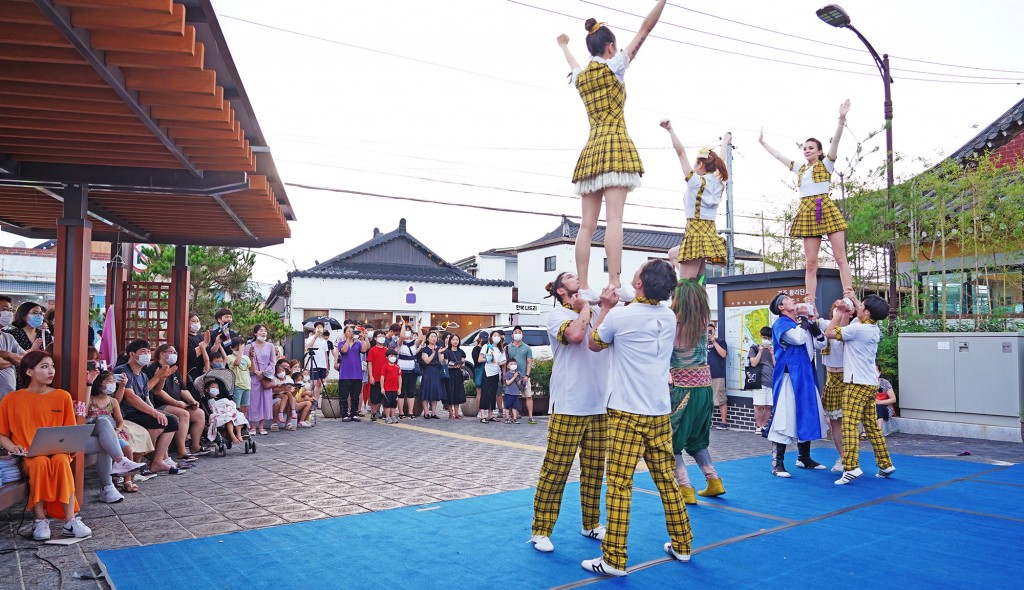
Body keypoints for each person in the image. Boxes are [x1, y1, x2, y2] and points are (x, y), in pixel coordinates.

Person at [584, 260, 693, 577]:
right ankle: (683, 544)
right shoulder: (669, 316)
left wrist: (604, 307)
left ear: (642, 284)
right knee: (667, 482)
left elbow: (594, 343)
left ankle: (614, 559)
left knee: (619, 485)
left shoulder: (620, 314)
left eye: (637, 273)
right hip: (658, 411)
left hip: (625, 412)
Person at [557, 1, 668, 303]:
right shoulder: (616, 65)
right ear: (610, 47)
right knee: (614, 219)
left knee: (586, 225)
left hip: (591, 149)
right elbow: (646, 29)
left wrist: (564, 46)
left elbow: (573, 64)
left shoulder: (582, 77)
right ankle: (615, 282)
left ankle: (583, 285)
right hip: (616, 144)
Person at [530, 272, 609, 554]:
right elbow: (576, 336)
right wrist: (586, 307)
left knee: (594, 469)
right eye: (573, 277)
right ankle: (541, 530)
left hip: (600, 403)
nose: (580, 277)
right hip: (568, 404)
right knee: (556, 469)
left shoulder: (597, 309)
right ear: (562, 290)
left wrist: (602, 304)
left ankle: (591, 523)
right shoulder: (555, 315)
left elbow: (601, 335)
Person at [759, 100, 853, 304]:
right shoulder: (800, 169)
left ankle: (849, 292)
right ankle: (810, 299)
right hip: (808, 211)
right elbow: (779, 157)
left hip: (825, 207)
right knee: (811, 262)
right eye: (805, 148)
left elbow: (835, 142)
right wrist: (763, 144)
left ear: (819, 151)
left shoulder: (826, 165)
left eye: (811, 148)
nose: (807, 150)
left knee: (840, 256)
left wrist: (841, 119)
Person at [0, 351, 92, 540]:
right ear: (29, 372)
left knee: (60, 461)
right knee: (39, 462)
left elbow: (70, 431)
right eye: (44, 367)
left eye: (52, 366)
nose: (51, 371)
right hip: (28, 456)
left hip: (59, 453)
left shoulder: (62, 396)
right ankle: (39, 519)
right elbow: (2, 434)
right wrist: (12, 447)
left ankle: (70, 521)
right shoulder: (11, 399)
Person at [825, 290, 895, 485]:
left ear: (868, 313)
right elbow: (860, 313)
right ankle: (885, 464)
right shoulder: (871, 328)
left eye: (861, 307)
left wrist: (839, 313)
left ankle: (851, 467)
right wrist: (854, 299)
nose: (858, 309)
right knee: (871, 426)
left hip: (856, 384)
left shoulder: (858, 330)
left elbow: (829, 332)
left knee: (848, 425)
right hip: (870, 383)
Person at [668, 277, 724, 505]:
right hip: (704, 388)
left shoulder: (673, 323)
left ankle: (685, 487)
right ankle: (714, 481)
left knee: (670, 441)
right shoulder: (703, 321)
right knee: (698, 440)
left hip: (683, 388)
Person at [765, 293, 829, 478]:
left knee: (806, 413)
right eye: (787, 298)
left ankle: (804, 457)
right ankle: (777, 464)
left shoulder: (800, 323)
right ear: (781, 307)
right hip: (789, 377)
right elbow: (798, 339)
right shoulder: (781, 324)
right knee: (784, 417)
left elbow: (822, 344)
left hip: (805, 376)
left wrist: (813, 327)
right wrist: (804, 323)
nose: (793, 299)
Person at [661, 120, 732, 280]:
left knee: (686, 284)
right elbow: (722, 159)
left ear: (700, 164)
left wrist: (670, 129)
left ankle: (689, 303)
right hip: (709, 234)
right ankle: (697, 295)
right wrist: (725, 141)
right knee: (674, 255)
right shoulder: (719, 183)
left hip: (695, 232)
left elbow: (681, 153)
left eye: (696, 164)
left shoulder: (696, 182)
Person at [113, 340, 180, 474]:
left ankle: (157, 461)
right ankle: (139, 461)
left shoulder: (143, 375)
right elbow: (130, 398)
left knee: (171, 421)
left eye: (149, 352)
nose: (147, 354)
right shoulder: (122, 370)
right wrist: (154, 414)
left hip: (140, 412)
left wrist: (155, 411)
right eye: (143, 352)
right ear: (132, 354)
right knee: (157, 423)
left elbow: (146, 397)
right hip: (127, 413)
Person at [87, 372, 148, 502]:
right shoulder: (90, 399)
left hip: (112, 432)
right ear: (99, 383)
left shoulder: (113, 401)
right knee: (103, 424)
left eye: (113, 381)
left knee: (127, 449)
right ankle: (120, 465)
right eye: (109, 381)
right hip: (92, 430)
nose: (112, 384)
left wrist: (117, 430)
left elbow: (119, 420)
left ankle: (128, 480)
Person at [146, 343, 207, 462]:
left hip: (179, 403)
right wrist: (176, 403)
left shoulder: (174, 369)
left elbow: (183, 389)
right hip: (160, 405)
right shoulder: (154, 368)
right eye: (171, 352)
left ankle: (195, 445)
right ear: (162, 354)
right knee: (183, 414)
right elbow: (157, 391)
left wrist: (192, 401)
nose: (174, 355)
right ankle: (181, 450)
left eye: (175, 353)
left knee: (199, 413)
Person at [821, 299, 852, 472]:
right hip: (830, 376)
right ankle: (842, 457)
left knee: (848, 421)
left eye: (845, 309)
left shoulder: (852, 327)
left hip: (847, 376)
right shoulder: (825, 325)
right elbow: (822, 327)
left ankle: (850, 457)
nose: (839, 311)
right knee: (834, 422)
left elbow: (842, 329)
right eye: (836, 308)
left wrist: (844, 313)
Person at [4, 301, 46, 389]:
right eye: (35, 313)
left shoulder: (45, 334)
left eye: (41, 313)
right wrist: (31, 351)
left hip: (40, 378)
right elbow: (8, 358)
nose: (39, 316)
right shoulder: (12, 334)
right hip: (18, 379)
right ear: (23, 316)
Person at [245, 325, 276, 435]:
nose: (263, 333)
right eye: (261, 331)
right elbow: (246, 362)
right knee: (253, 400)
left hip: (266, 376)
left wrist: (264, 373)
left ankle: (262, 426)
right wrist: (256, 372)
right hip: (253, 376)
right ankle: (253, 426)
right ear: (255, 333)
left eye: (265, 331)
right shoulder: (249, 346)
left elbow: (273, 362)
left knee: (265, 401)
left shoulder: (270, 346)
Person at [506, 326, 536, 424]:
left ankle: (530, 416)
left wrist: (527, 375)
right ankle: (511, 415)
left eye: (519, 332)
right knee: (511, 396)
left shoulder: (527, 348)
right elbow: (506, 362)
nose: (517, 334)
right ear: (512, 335)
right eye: (516, 332)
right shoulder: (508, 347)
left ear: (522, 335)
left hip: (523, 376)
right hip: (512, 377)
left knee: (528, 396)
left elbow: (529, 362)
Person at [747, 327, 775, 435]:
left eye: (769, 338)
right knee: (759, 405)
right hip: (759, 381)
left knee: (769, 405)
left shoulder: (774, 349)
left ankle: (764, 425)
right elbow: (753, 363)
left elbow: (776, 365)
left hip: (772, 381)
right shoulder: (754, 348)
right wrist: (760, 351)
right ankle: (758, 426)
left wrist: (772, 353)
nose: (766, 340)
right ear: (760, 336)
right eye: (764, 337)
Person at [335, 325, 365, 422]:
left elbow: (364, 350)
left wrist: (363, 339)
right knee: (344, 395)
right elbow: (344, 350)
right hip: (345, 374)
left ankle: (354, 413)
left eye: (352, 331)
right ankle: (344, 414)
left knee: (355, 395)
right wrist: (348, 339)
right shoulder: (341, 343)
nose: (351, 333)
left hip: (357, 374)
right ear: (344, 333)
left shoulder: (358, 344)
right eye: (348, 331)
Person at [0, 295, 27, 398]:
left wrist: (7, 354)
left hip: (7, 398)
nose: (9, 313)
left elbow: (25, 360)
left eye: (10, 310)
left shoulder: (8, 337)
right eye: (5, 309)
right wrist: (13, 361)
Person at [478, 330, 506, 423]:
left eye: (498, 335)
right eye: (495, 335)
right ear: (491, 337)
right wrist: (487, 358)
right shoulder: (486, 346)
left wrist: (500, 362)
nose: (496, 337)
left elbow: (503, 361)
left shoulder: (500, 349)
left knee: (493, 394)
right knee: (485, 393)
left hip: (496, 373)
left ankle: (491, 414)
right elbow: (479, 359)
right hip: (487, 372)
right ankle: (483, 415)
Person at [396, 326, 422, 420]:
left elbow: (421, 338)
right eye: (405, 331)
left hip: (412, 370)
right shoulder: (400, 342)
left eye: (409, 331)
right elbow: (402, 336)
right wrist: (403, 324)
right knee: (401, 392)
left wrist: (418, 327)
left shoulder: (414, 342)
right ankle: (401, 412)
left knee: (411, 392)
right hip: (401, 371)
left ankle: (411, 412)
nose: (407, 333)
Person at [418, 331, 445, 419]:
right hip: (428, 370)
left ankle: (433, 413)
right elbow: (427, 361)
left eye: (435, 337)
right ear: (428, 338)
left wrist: (439, 352)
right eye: (432, 336)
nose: (434, 338)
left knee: (435, 391)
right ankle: (426, 413)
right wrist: (433, 353)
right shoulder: (425, 349)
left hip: (437, 370)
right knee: (426, 390)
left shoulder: (439, 348)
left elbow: (441, 361)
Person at [304, 322, 332, 405]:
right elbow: (308, 346)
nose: (319, 329)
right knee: (313, 383)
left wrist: (327, 367)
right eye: (318, 327)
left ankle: (316, 401)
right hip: (313, 362)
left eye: (321, 328)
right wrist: (315, 336)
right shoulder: (311, 338)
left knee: (319, 383)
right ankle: (308, 399)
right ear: (314, 328)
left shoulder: (324, 341)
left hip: (322, 364)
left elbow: (326, 354)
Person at [707, 322, 728, 430]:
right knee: (706, 401)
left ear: (714, 330)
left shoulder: (720, 342)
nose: (709, 333)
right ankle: (707, 421)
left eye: (711, 330)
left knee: (721, 399)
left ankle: (724, 422)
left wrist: (714, 342)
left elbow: (723, 354)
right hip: (704, 377)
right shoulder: (702, 343)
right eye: (707, 331)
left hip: (717, 375)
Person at [270, 359, 297, 431]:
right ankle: (274, 423)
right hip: (275, 397)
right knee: (278, 402)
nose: (282, 372)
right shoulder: (273, 379)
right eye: (280, 370)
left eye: (283, 370)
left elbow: (292, 393)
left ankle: (288, 422)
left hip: (287, 396)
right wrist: (282, 388)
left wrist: (296, 389)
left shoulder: (288, 378)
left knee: (292, 400)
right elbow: (273, 390)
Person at [443, 334, 466, 419]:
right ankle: (450, 413)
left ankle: (456, 413)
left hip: (458, 374)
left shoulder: (461, 351)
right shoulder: (447, 351)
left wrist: (460, 365)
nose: (455, 341)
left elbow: (463, 363)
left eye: (457, 339)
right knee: (450, 392)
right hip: (450, 374)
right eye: (453, 340)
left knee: (457, 393)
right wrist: (453, 366)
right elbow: (446, 364)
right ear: (450, 341)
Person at [185, 311, 211, 386]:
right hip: (191, 372)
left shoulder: (201, 337)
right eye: (193, 321)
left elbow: (209, 352)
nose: (196, 323)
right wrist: (204, 343)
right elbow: (191, 355)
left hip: (203, 371)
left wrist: (216, 343)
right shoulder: (186, 337)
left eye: (197, 321)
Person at [227, 340, 251, 418]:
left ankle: (243, 426)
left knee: (244, 408)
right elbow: (237, 363)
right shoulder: (229, 357)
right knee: (236, 408)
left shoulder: (246, 357)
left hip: (247, 385)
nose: (240, 348)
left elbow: (252, 369)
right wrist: (240, 350)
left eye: (241, 346)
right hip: (237, 385)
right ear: (231, 348)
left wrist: (252, 358)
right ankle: (235, 427)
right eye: (237, 346)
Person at [381, 350, 402, 424]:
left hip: (395, 389)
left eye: (394, 356)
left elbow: (399, 377)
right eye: (391, 356)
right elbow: (382, 377)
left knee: (393, 403)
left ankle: (393, 416)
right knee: (387, 403)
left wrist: (399, 388)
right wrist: (382, 387)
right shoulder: (385, 366)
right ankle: (387, 416)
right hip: (387, 388)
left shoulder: (397, 367)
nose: (393, 357)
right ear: (387, 357)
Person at [875, 367, 897, 436]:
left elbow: (893, 399)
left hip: (885, 407)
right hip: (871, 406)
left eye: (876, 371)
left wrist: (879, 402)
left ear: (880, 372)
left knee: (878, 406)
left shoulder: (885, 382)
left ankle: (878, 431)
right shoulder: (866, 383)